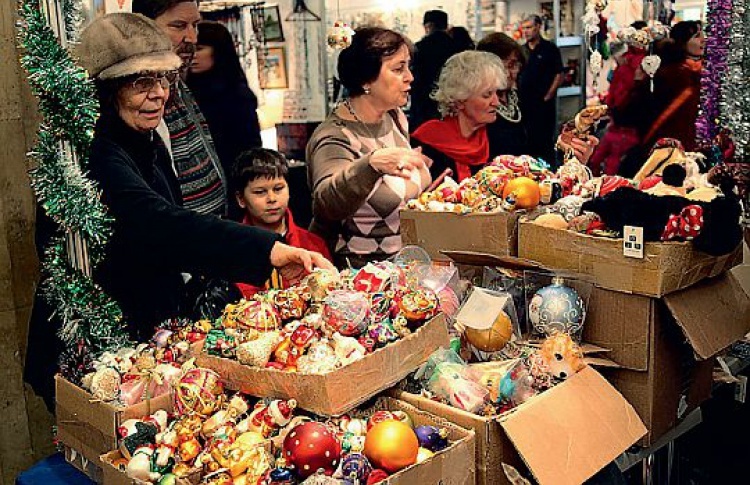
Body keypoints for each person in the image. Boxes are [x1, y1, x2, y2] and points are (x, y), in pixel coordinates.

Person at [307, 27, 432, 269]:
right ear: (366, 79)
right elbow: (325, 204)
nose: (410, 77)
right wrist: (371, 164)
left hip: (402, 264)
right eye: (398, 69)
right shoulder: (335, 136)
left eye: (408, 67)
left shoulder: (394, 117)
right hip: (357, 272)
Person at [132, 0, 227, 216]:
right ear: (145, 27)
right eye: (178, 26)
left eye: (195, 25)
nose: (192, 38)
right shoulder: (140, 97)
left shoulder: (178, 83)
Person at [231, 148, 331, 297]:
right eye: (260, 192)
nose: (271, 198)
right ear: (241, 199)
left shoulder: (314, 245)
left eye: (278, 189)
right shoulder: (232, 251)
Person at [187, 21, 262, 205]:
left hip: (231, 185)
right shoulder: (184, 91)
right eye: (190, 49)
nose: (192, 56)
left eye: (200, 48)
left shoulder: (236, 94)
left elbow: (249, 149)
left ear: (218, 51)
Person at [411, 51, 507, 181]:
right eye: (487, 95)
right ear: (461, 100)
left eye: (497, 93)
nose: (496, 102)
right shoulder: (426, 141)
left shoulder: (502, 136)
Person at [588, 21, 649, 175]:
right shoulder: (640, 63)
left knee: (602, 160)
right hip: (631, 125)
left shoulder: (630, 63)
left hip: (623, 122)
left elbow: (616, 95)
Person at [640, 20, 705, 152]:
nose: (704, 40)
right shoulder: (671, 72)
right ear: (683, 41)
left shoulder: (708, 72)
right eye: (697, 36)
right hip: (670, 142)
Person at [519, 14, 564, 165]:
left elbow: (559, 74)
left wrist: (548, 96)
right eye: (523, 28)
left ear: (538, 27)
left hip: (543, 105)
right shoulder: (521, 51)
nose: (526, 31)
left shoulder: (549, 49)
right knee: (526, 143)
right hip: (524, 105)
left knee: (544, 142)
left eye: (529, 28)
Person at [476, 32, 530, 157]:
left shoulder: (524, 98)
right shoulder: (478, 106)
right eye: (500, 67)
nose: (506, 74)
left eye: (512, 65)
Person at [409, 10, 459, 129]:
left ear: (428, 26)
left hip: (424, 104)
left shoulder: (419, 48)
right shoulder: (456, 47)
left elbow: (415, 77)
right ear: (446, 26)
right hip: (452, 103)